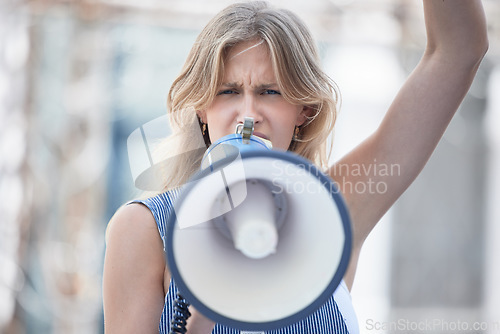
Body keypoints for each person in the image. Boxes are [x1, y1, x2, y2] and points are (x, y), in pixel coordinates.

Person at [102, 1, 488, 333]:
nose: (248, 115)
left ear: (303, 110)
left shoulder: (336, 209)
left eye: (270, 92)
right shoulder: (146, 229)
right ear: (202, 108)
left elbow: (458, 52)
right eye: (228, 91)